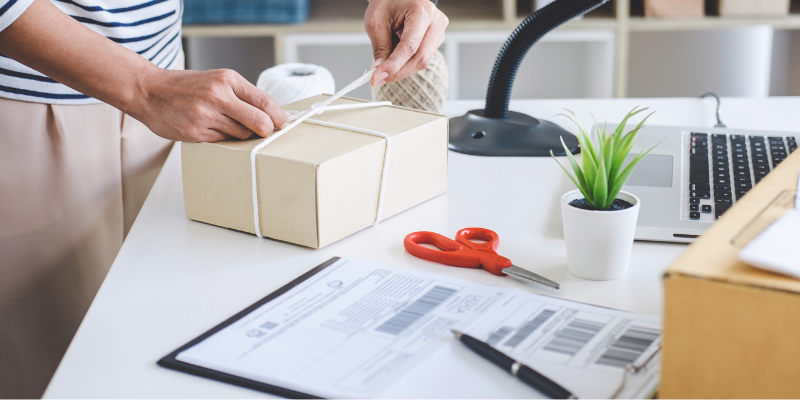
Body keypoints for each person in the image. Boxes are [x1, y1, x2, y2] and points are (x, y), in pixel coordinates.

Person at [0, 0, 448, 397]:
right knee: (58, 366)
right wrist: (142, 86)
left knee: (167, 344)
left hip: (174, 104)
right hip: (31, 106)